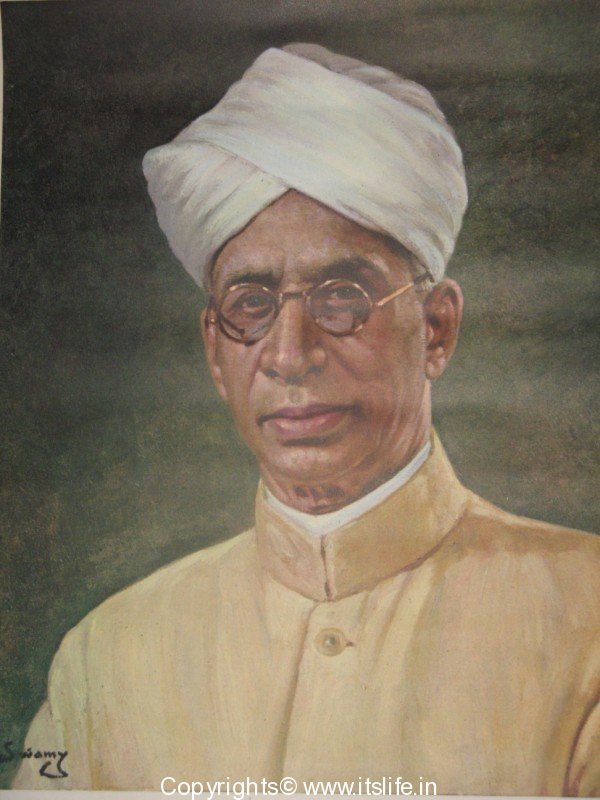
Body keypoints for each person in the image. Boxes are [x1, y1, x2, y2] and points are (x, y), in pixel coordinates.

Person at [13, 43, 600, 795]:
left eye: (343, 295)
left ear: (437, 329)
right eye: (251, 304)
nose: (290, 354)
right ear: (215, 351)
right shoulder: (107, 658)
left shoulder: (585, 621)